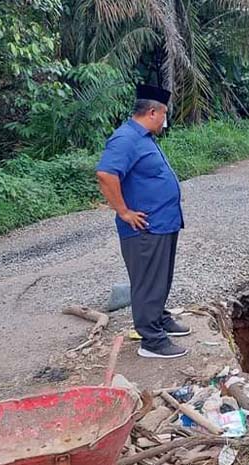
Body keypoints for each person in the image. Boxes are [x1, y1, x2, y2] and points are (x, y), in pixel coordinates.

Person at [96, 83, 190, 359]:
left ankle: (158, 318)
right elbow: (105, 174)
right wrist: (124, 212)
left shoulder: (144, 138)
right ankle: (151, 341)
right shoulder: (125, 139)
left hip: (163, 223)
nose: (165, 120)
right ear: (152, 112)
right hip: (144, 227)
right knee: (148, 280)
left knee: (159, 278)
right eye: (164, 115)